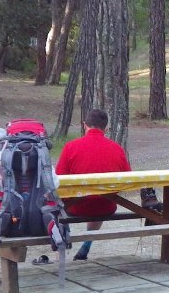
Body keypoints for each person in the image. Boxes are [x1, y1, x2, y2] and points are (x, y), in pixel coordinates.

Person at [55, 108, 130, 260]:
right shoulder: (117, 148)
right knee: (101, 197)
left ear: (85, 125)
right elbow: (127, 179)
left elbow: (58, 180)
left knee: (55, 204)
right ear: (106, 129)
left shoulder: (71, 147)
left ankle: (60, 246)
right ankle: (86, 245)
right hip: (106, 206)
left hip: (76, 207)